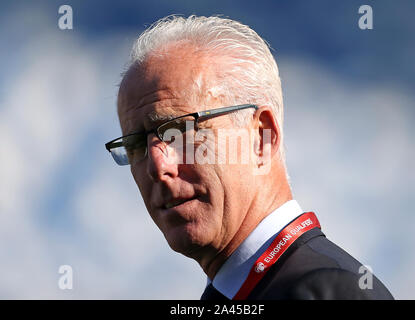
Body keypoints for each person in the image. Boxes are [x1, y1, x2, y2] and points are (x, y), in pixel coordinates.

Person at [105, 15, 394, 300]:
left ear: (262, 136)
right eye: (135, 145)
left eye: (181, 131)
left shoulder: (330, 292)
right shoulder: (242, 291)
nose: (158, 166)